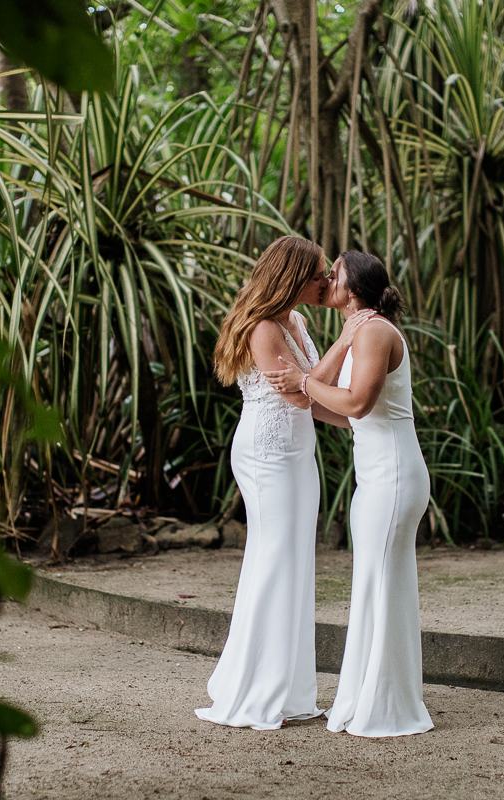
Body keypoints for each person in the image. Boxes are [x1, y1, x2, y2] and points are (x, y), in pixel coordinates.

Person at [197, 236, 372, 730]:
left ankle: (289, 689)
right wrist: (343, 342)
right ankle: (253, 690)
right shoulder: (262, 327)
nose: (325, 282)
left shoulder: (294, 319)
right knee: (274, 561)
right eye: (317, 274)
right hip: (267, 451)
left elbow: (313, 392)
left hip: (297, 451)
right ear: (291, 276)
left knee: (295, 561)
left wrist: (362, 420)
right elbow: (298, 398)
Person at [264, 251, 434, 738]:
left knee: (382, 586)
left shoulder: (376, 331)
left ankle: (386, 706)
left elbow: (358, 401)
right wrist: (315, 379)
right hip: (376, 473)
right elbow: (331, 403)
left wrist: (304, 380)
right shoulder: (359, 331)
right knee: (374, 587)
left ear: (353, 285)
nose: (324, 280)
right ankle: (372, 696)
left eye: (332, 274)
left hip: (394, 474)